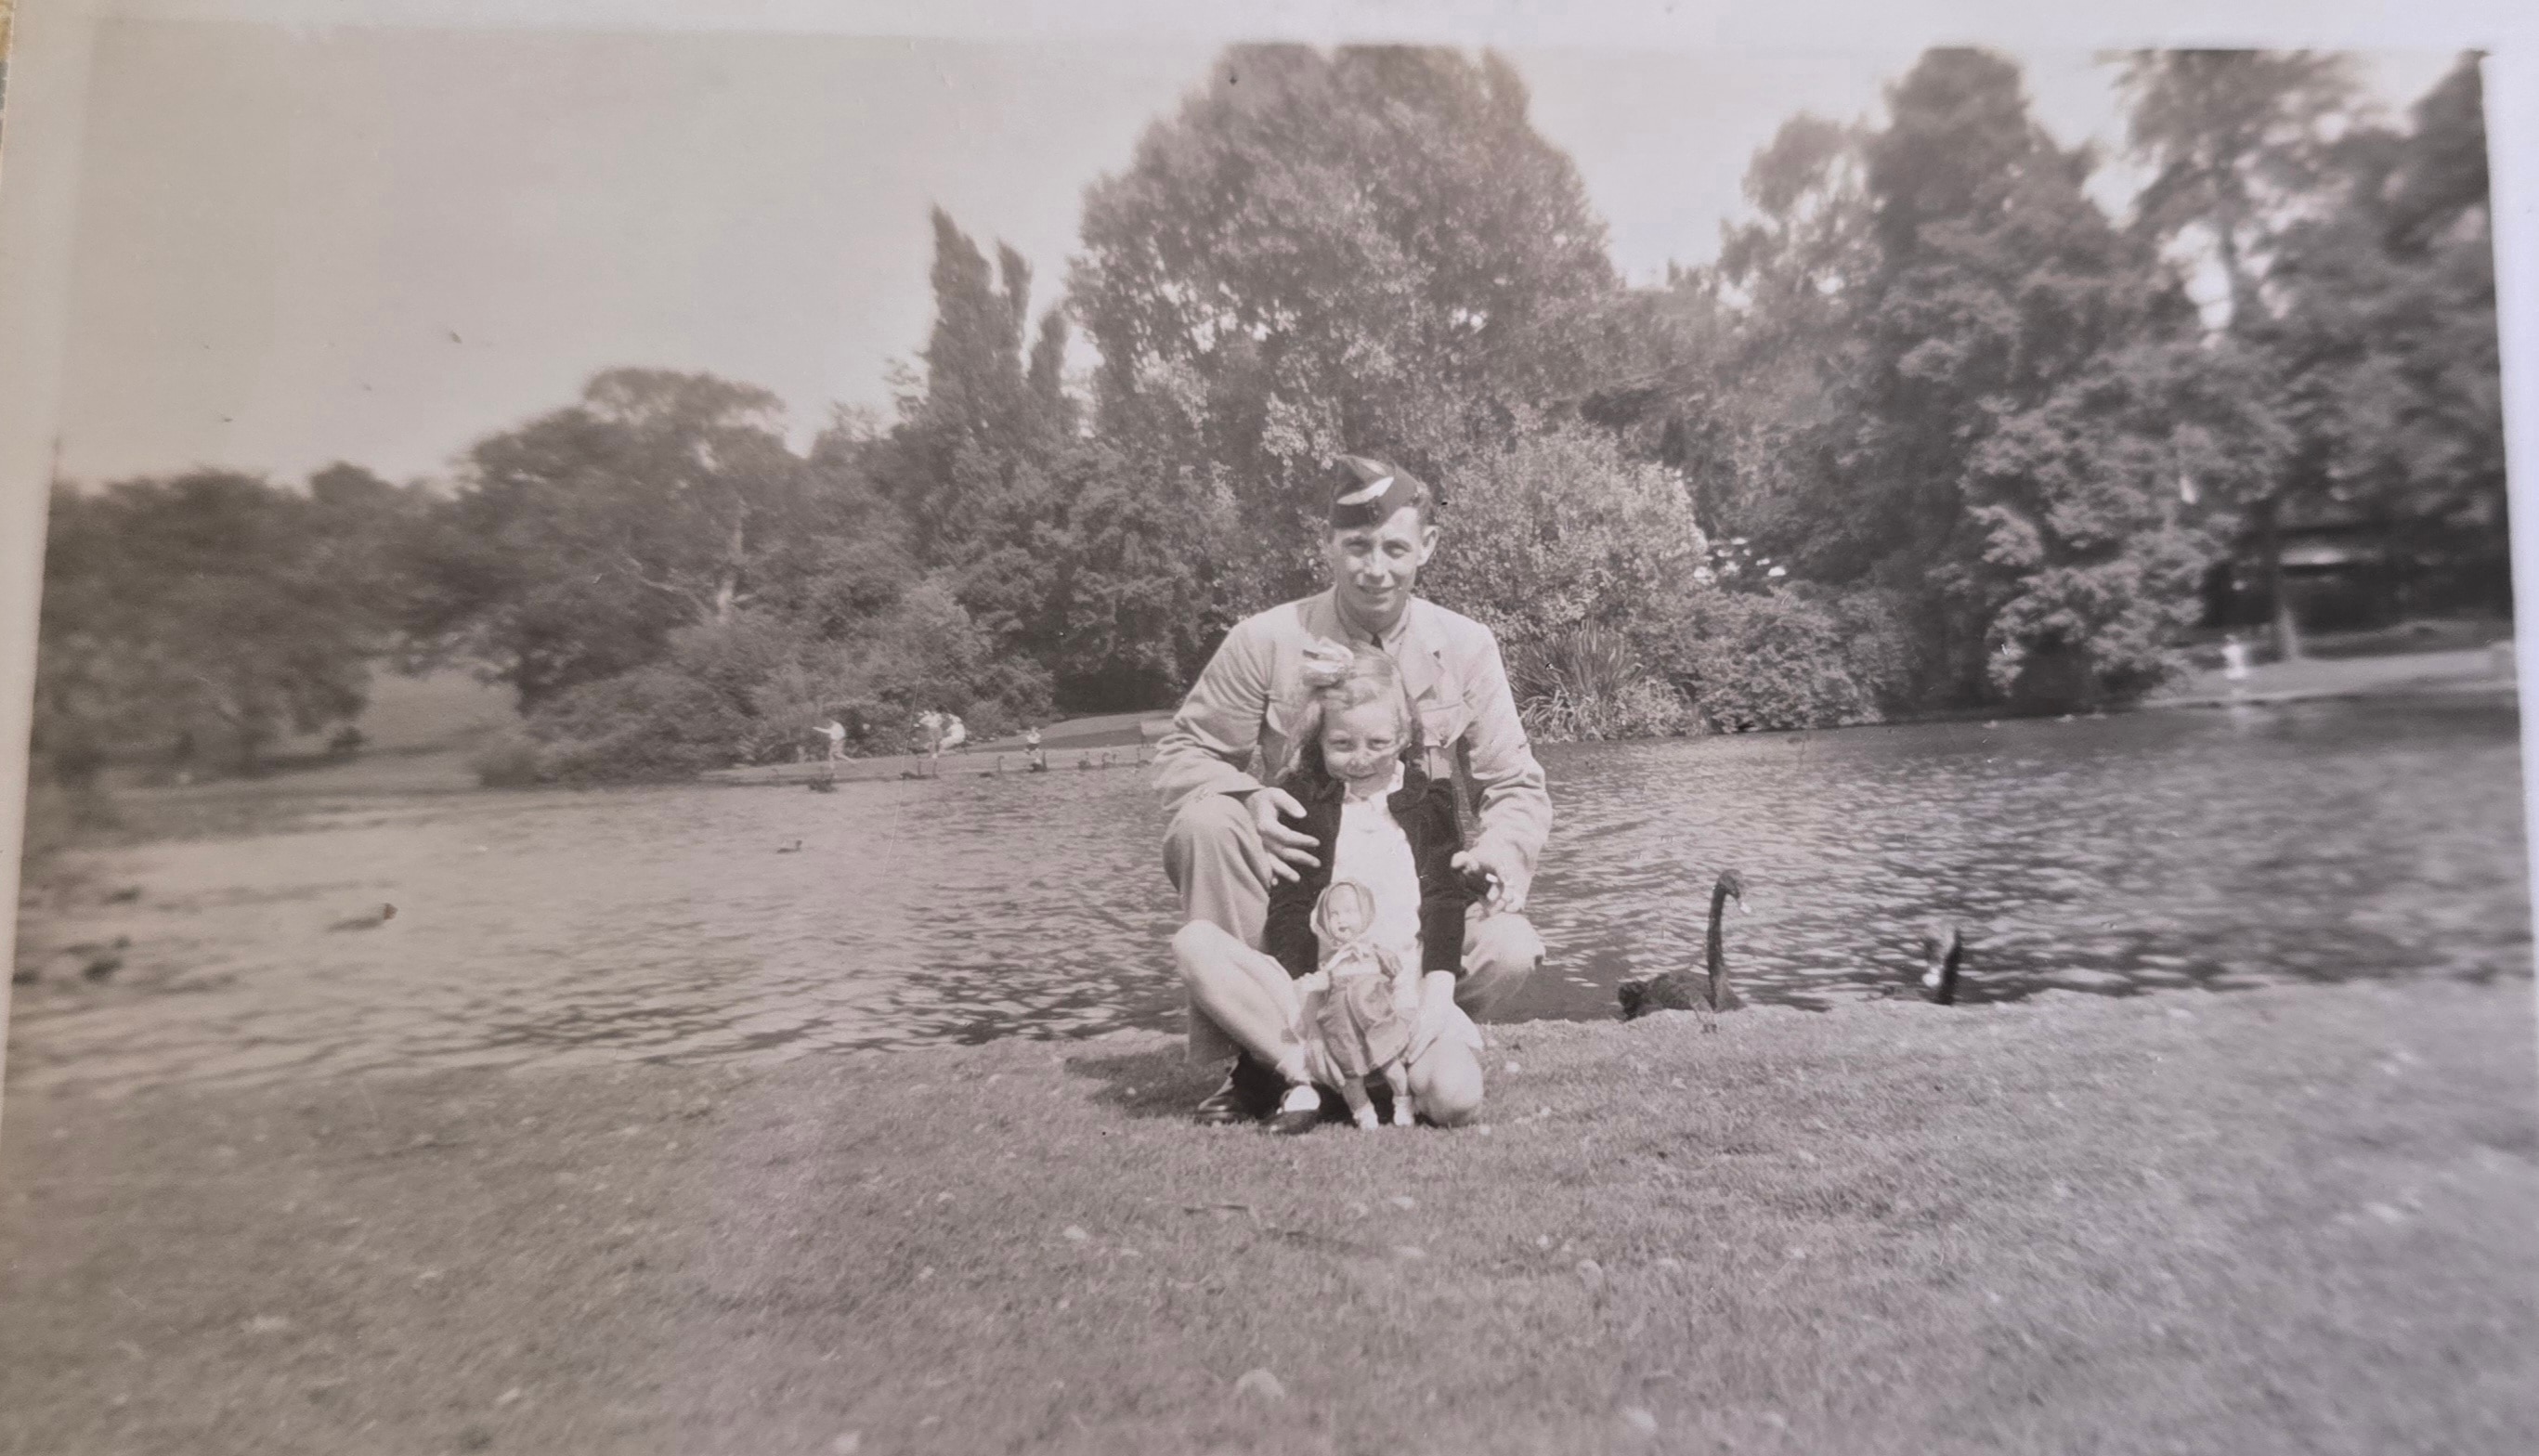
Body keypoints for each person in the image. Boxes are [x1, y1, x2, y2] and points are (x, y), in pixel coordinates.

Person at [1153, 454, 1549, 1125]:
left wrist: (1503, 852)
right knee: (1205, 825)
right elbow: (1182, 755)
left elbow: (1514, 781)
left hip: (1415, 911)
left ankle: (1394, 1043)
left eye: (1395, 548)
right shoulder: (1264, 641)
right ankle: (1257, 1066)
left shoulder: (1466, 645)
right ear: (1327, 545)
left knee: (1512, 946)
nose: (1376, 567)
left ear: (1426, 546)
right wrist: (1247, 799)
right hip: (1304, 910)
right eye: (1357, 546)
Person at [1172, 648, 1482, 1130]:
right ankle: (1308, 1069)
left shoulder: (1430, 801)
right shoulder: (1306, 799)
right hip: (1320, 996)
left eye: (1378, 742)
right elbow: (1291, 907)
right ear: (1319, 739)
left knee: (1458, 1099)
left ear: (1403, 736)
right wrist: (1304, 1001)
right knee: (1194, 943)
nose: (1360, 759)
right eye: (1342, 744)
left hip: (1401, 999)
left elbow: (1445, 899)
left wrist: (1438, 992)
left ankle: (1370, 1078)